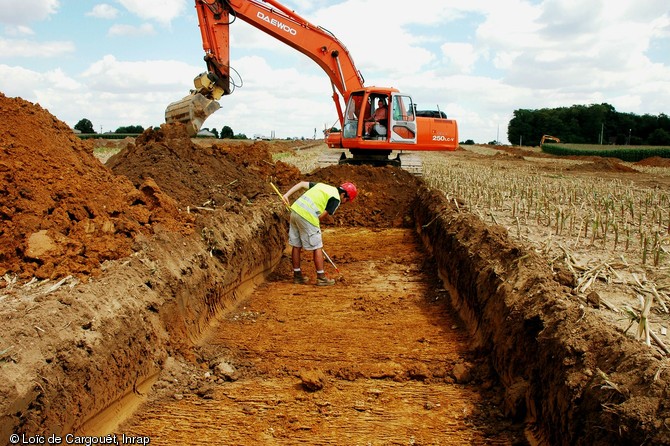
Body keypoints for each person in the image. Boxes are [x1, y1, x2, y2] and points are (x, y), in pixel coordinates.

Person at [282, 181, 358, 286]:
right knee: (317, 246)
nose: (345, 202)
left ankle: (297, 276)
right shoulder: (336, 199)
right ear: (343, 194)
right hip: (307, 217)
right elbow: (322, 216)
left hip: (295, 212)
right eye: (347, 199)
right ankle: (321, 277)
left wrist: (286, 195)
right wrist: (314, 228)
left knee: (296, 245)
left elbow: (302, 184)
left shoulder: (323, 186)